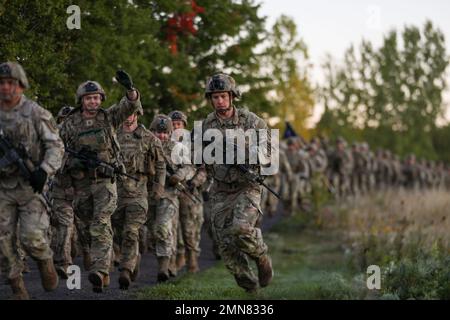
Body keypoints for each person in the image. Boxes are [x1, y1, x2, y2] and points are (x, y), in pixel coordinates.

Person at [59, 71, 142, 292]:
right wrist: (73, 165)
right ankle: (102, 267)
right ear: (81, 100)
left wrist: (130, 89)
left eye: (96, 97)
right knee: (86, 228)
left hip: (105, 182)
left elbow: (130, 106)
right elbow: (58, 151)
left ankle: (100, 270)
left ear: (101, 99)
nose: (93, 101)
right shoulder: (70, 123)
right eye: (89, 98)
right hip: (82, 183)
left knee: (101, 223)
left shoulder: (108, 117)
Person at [201, 73, 273, 293]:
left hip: (247, 187)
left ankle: (261, 256)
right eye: (215, 97)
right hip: (221, 190)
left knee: (240, 229)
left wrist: (248, 155)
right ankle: (250, 288)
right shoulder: (207, 125)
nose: (219, 101)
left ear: (232, 96)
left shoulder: (251, 121)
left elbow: (270, 150)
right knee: (226, 247)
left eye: (223, 96)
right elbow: (201, 156)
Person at [0, 61, 64, 299]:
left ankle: (45, 261)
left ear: (21, 85)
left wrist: (45, 170)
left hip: (30, 186)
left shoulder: (36, 113)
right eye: (1, 83)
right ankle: (17, 287)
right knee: (3, 244)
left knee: (32, 237)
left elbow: (56, 146)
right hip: (2, 187)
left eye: (10, 83)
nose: (5, 88)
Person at [112, 109, 165, 289]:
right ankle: (134, 257)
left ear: (137, 115)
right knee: (119, 233)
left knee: (131, 232)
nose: (128, 117)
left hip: (139, 193)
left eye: (131, 114)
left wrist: (158, 187)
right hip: (116, 194)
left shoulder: (149, 138)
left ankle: (126, 269)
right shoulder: (113, 136)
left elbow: (160, 165)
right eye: (124, 114)